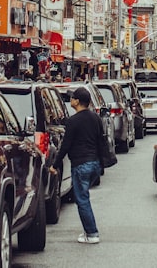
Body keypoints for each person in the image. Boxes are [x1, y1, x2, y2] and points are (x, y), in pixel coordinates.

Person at [50, 86, 107, 244]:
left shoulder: (73, 121)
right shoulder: (95, 118)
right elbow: (100, 141)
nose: (70, 100)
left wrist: (55, 164)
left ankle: (92, 233)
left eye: (72, 98)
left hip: (81, 164)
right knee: (84, 197)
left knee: (82, 199)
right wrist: (101, 165)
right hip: (94, 163)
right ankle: (88, 230)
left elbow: (65, 145)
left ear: (77, 101)